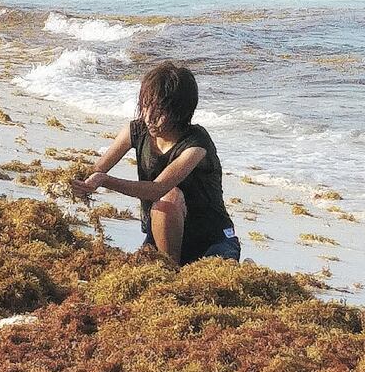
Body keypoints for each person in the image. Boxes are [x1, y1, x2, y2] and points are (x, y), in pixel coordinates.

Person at [72, 61, 240, 266]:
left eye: (160, 111)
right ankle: (169, 267)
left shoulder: (196, 145)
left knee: (169, 197)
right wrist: (81, 183)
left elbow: (156, 190)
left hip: (211, 242)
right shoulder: (136, 131)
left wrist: (104, 180)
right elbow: (96, 170)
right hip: (161, 237)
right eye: (145, 106)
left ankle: (179, 269)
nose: (149, 118)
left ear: (180, 111)